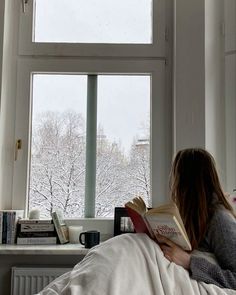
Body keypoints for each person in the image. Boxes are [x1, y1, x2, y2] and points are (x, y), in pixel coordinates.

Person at [157, 148, 236, 290]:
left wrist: (189, 262)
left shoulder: (220, 220)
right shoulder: (189, 216)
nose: (172, 183)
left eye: (176, 176)